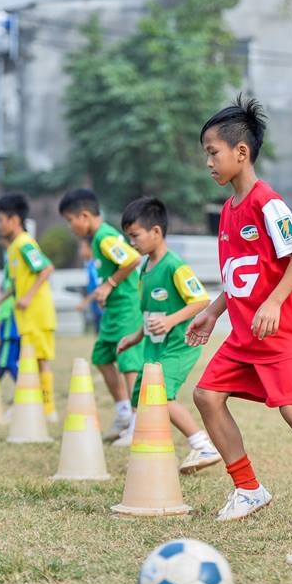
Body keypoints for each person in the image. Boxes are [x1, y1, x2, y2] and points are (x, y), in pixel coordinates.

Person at [187, 95, 292, 527]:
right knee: (206, 395)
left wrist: (276, 301)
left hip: (282, 331)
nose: (208, 163)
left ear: (240, 153)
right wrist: (212, 311)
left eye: (212, 153)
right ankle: (248, 489)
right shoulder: (228, 212)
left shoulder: (268, 202)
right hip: (245, 335)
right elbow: (240, 277)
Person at [118, 196, 221, 473]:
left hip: (179, 345)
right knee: (142, 393)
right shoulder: (144, 268)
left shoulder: (175, 266)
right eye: (128, 237)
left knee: (160, 394)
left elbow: (201, 301)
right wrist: (136, 337)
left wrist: (172, 320)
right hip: (154, 347)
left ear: (156, 232)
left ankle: (203, 445)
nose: (132, 243)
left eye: (135, 236)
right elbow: (150, 312)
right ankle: (150, 452)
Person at [58, 188, 143, 443]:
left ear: (84, 216)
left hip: (127, 309)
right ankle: (124, 413)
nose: (71, 228)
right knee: (101, 357)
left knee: (129, 364)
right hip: (112, 312)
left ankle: (137, 425)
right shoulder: (97, 240)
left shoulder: (105, 237)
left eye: (70, 221)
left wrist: (110, 285)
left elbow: (132, 259)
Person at [0, 194, 58, 423]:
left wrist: (28, 297)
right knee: (27, 361)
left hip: (38, 313)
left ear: (14, 220)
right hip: (24, 315)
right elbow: (14, 286)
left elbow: (46, 269)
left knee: (41, 361)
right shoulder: (13, 248)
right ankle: (28, 405)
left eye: (0, 219)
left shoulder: (24, 243)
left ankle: (49, 409)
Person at [0, 234, 19, 383]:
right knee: (6, 360)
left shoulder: (13, 260)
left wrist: (0, 316)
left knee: (6, 362)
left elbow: (11, 294)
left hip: (10, 317)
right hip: (11, 316)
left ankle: (30, 393)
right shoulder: (11, 261)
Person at [76, 239, 103, 334]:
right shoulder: (88, 265)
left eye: (82, 247)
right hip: (96, 310)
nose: (80, 251)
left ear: (90, 249)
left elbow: (99, 287)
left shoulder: (95, 266)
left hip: (102, 311)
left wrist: (85, 302)